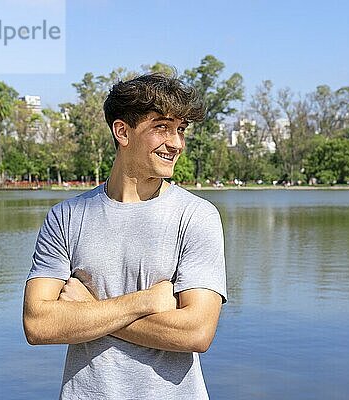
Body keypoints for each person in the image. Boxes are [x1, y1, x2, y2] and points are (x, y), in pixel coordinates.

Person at [22, 73, 227, 399]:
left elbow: (197, 332)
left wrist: (90, 309)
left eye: (181, 130)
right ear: (122, 131)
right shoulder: (66, 217)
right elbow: (38, 324)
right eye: (162, 127)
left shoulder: (196, 216)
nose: (176, 143)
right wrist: (145, 302)